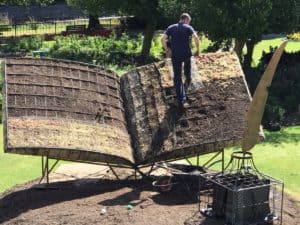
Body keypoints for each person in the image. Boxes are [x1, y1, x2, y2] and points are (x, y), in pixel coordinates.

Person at [161, 13, 200, 106]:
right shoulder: (188, 28)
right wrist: (198, 50)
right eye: (189, 22)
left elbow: (162, 39)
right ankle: (188, 81)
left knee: (177, 77)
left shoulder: (171, 27)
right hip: (187, 54)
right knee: (187, 71)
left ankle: (181, 99)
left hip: (176, 55)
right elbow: (196, 37)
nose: (189, 24)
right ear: (186, 20)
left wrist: (167, 50)